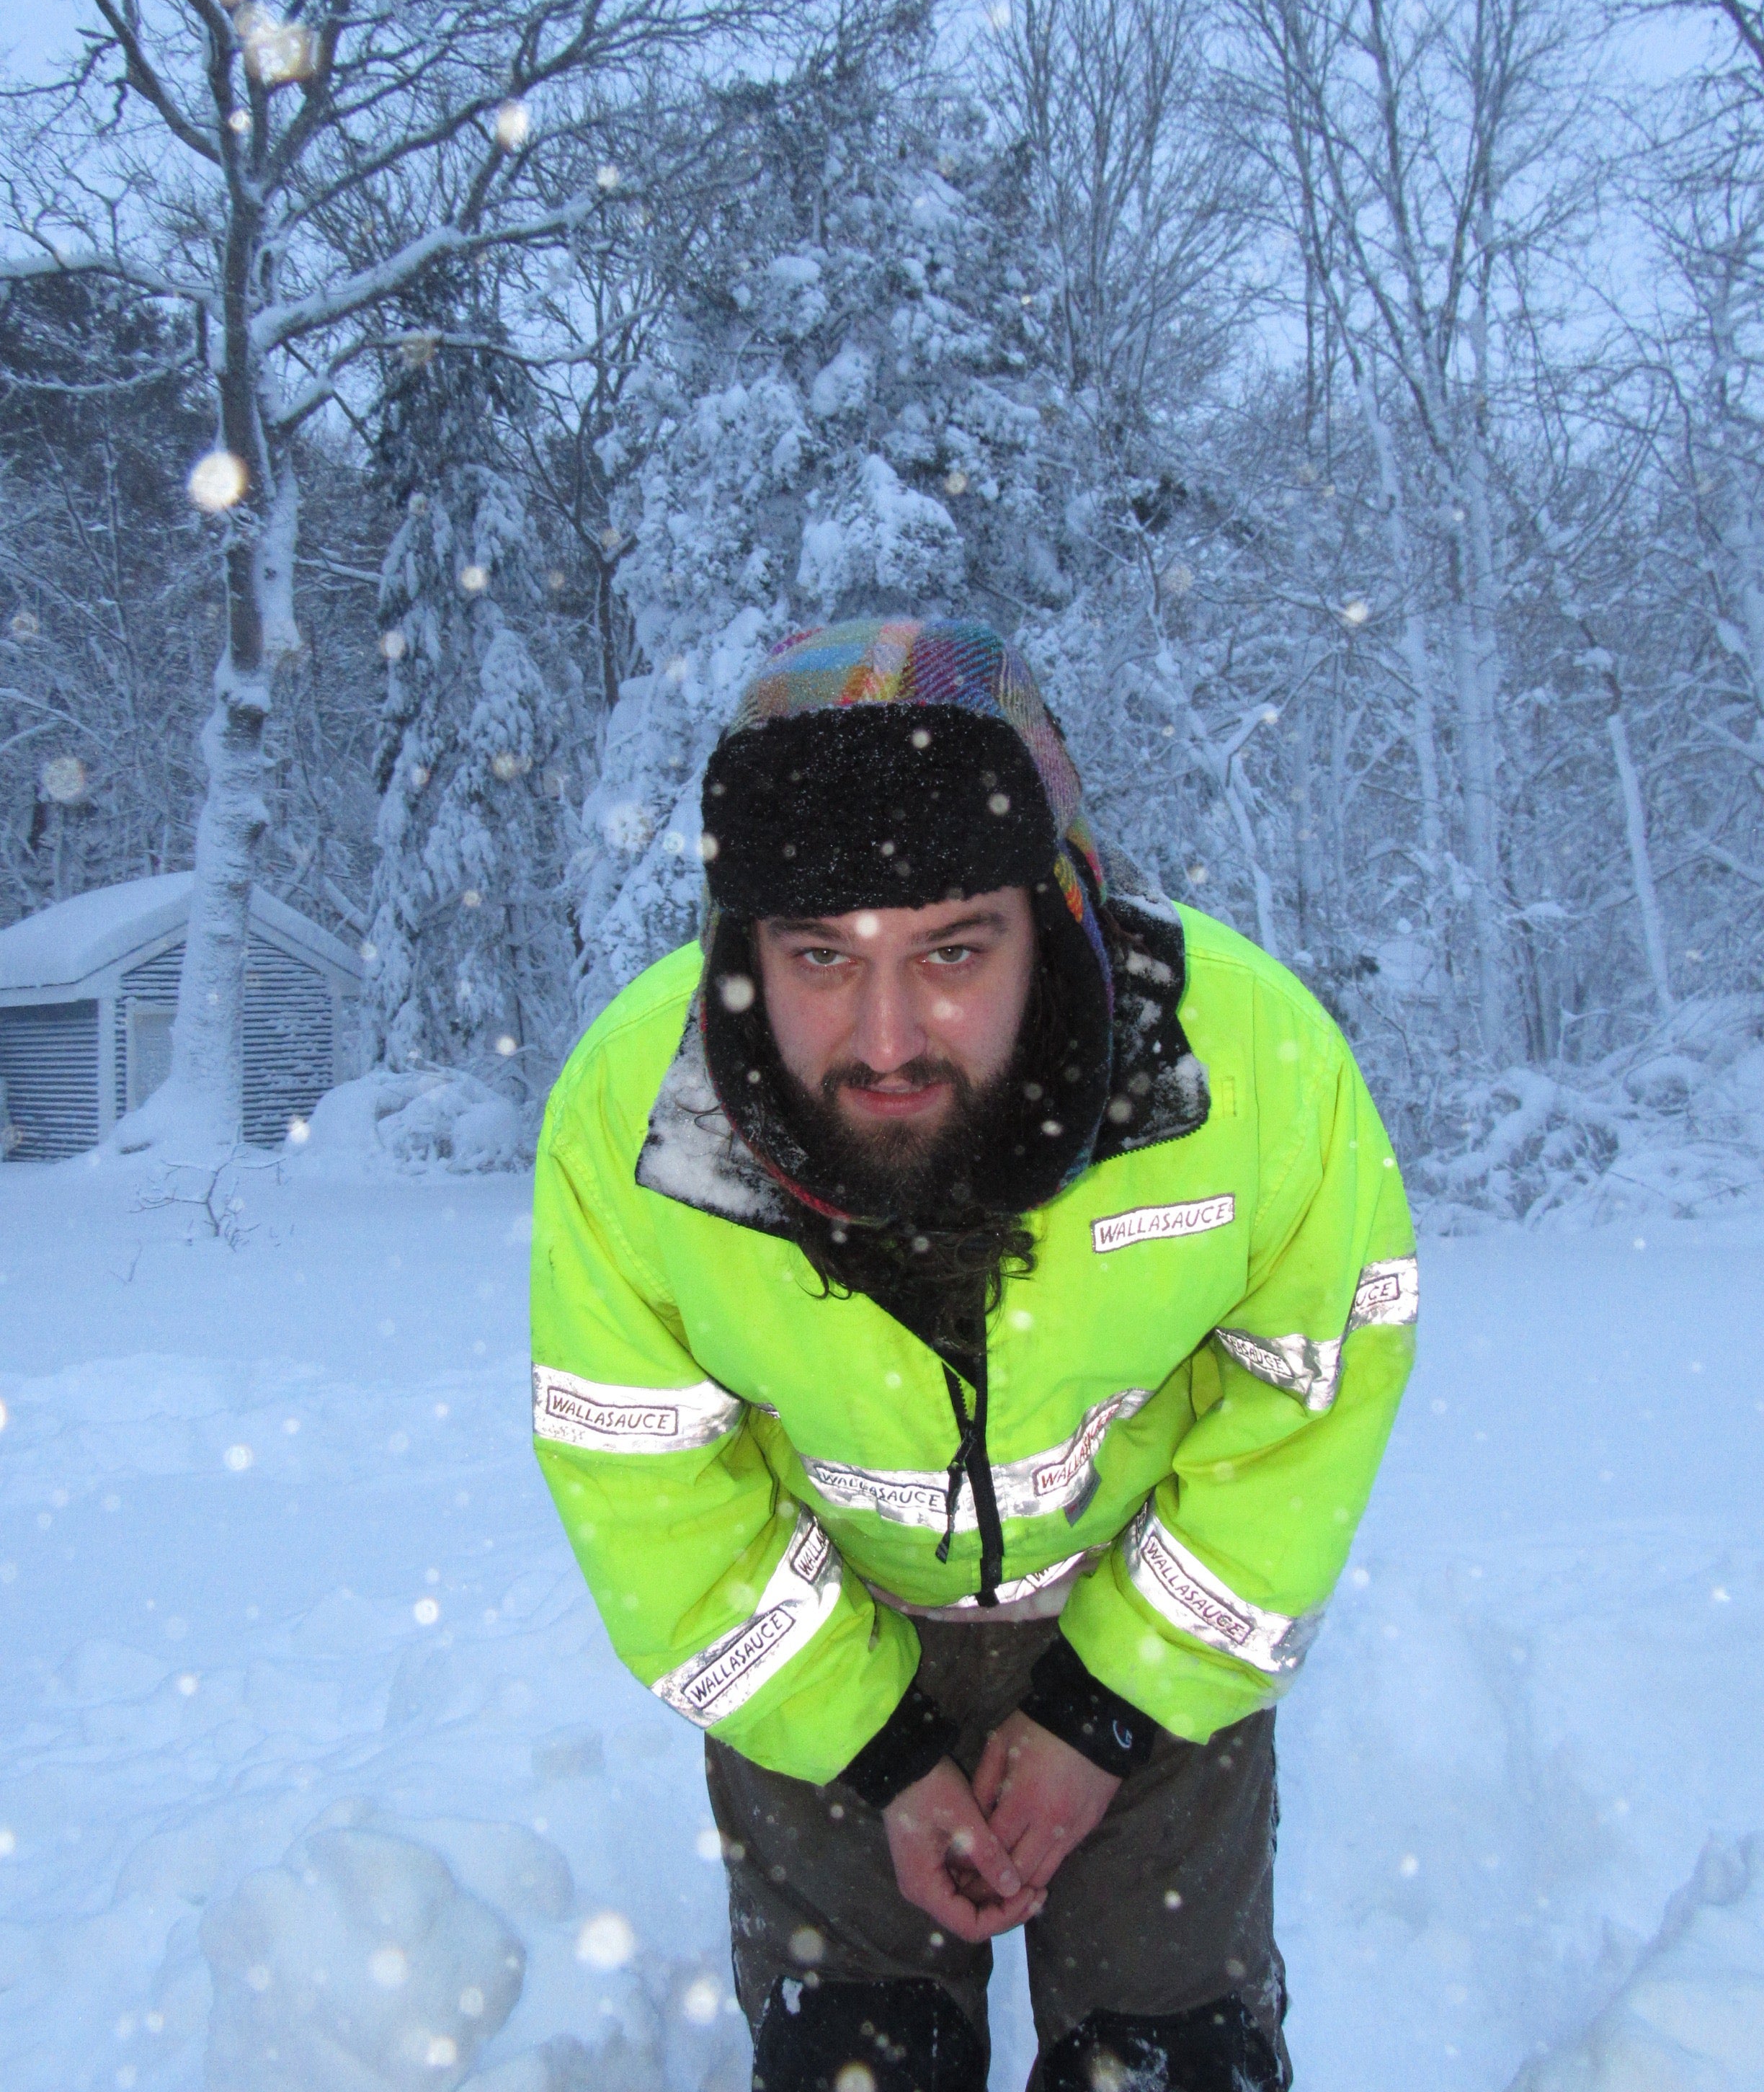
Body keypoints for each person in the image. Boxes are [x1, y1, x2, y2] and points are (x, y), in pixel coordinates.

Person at [531, 615, 1417, 2092]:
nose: (886, 1035)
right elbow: (650, 1493)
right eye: (820, 954)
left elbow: (1305, 1410)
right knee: (857, 2063)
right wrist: (872, 1747)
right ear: (738, 948)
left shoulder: (1249, 1072)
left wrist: (1105, 1707)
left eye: (952, 948)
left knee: (1171, 2062)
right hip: (816, 1630)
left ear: (1060, 908)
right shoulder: (638, 1126)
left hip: (1154, 1622)